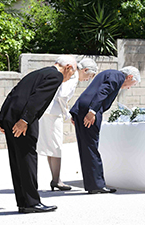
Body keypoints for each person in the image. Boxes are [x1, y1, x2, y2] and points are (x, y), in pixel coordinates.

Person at [0, 55, 77, 214]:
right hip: (22, 120)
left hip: (10, 116)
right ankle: (32, 203)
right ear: (67, 67)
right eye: (71, 74)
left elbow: (15, 92)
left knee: (17, 161)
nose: (69, 78)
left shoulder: (40, 72)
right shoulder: (56, 75)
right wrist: (24, 120)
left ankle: (24, 202)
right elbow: (37, 99)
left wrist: (2, 117)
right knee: (27, 160)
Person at [70, 66, 141, 194]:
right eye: (132, 84)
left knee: (86, 148)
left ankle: (93, 184)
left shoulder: (110, 73)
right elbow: (102, 92)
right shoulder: (118, 76)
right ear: (129, 77)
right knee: (91, 147)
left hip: (82, 109)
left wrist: (76, 111)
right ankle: (97, 185)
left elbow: (90, 91)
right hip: (90, 110)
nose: (129, 87)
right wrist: (92, 111)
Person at [37, 58, 98, 191]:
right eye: (90, 76)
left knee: (51, 146)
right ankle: (56, 180)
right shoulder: (73, 76)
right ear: (85, 70)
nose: (88, 79)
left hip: (47, 112)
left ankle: (55, 179)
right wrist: (68, 114)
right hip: (53, 113)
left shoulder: (72, 75)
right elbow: (62, 96)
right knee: (56, 145)